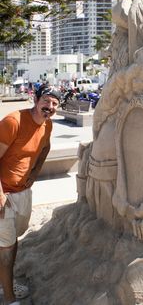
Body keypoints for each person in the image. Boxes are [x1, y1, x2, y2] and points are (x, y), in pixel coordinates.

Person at [0, 84, 60, 305]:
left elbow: (44, 149)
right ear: (36, 99)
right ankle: (9, 299)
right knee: (6, 248)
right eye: (46, 100)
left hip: (23, 193)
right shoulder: (13, 122)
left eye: (55, 103)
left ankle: (5, 281)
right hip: (3, 194)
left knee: (12, 240)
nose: (50, 106)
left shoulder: (47, 126)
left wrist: (34, 174)